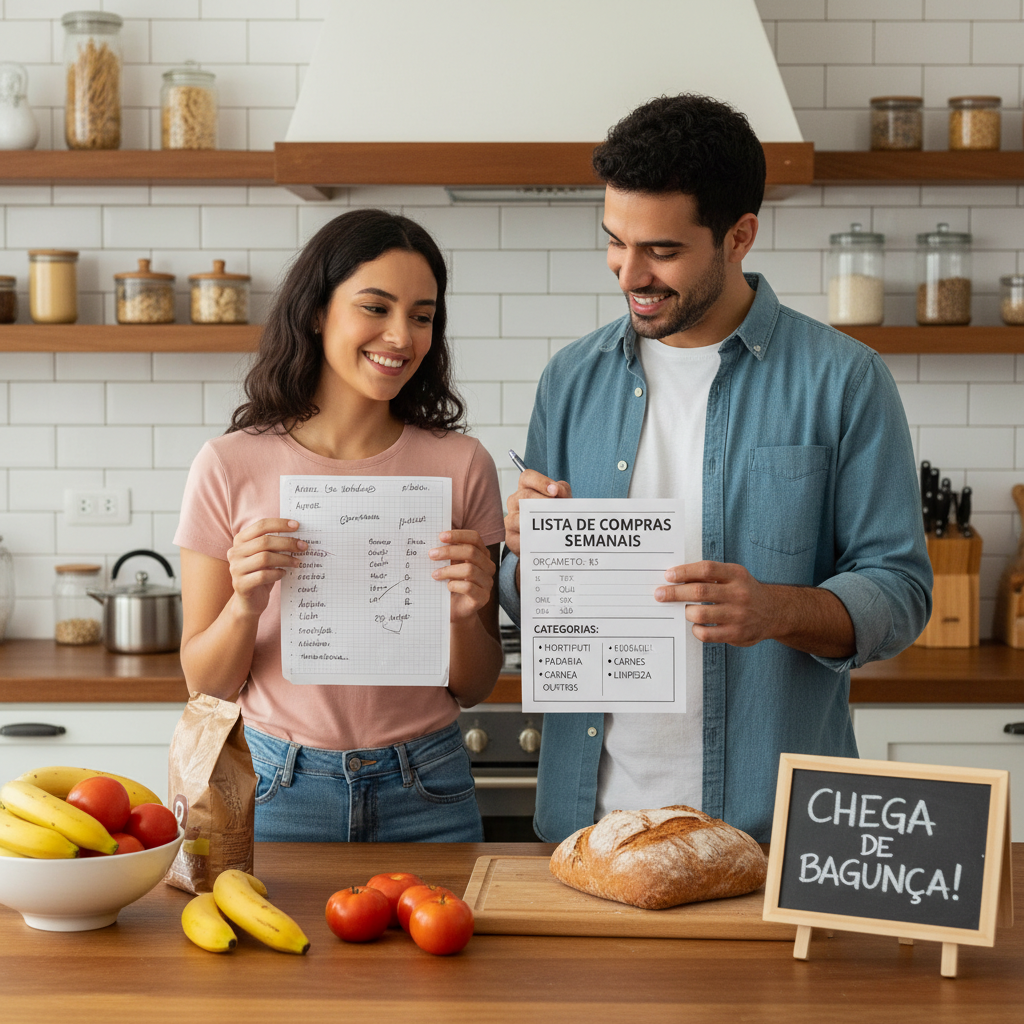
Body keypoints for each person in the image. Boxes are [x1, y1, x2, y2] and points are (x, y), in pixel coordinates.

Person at [499, 94, 932, 844]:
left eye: (661, 251)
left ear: (739, 237)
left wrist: (779, 610)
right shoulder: (570, 380)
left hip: (774, 832)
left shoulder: (845, 380)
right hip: (592, 830)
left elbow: (900, 589)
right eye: (614, 241)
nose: (628, 272)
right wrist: (522, 553)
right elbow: (535, 601)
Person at [174, 208, 505, 843]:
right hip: (277, 787)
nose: (402, 336)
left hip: (429, 786)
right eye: (376, 308)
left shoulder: (462, 465)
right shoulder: (227, 464)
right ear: (318, 311)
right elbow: (205, 686)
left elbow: (474, 684)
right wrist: (246, 604)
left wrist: (467, 611)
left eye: (422, 315)